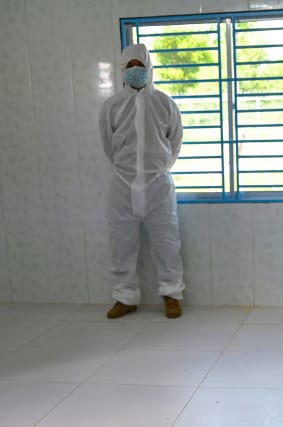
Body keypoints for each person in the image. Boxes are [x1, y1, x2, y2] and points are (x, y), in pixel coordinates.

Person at [99, 43, 185, 319]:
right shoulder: (111, 106)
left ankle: (172, 295)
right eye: (130, 66)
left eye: (140, 66)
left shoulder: (164, 103)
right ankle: (125, 297)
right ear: (122, 70)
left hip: (158, 184)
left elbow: (175, 141)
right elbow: (108, 145)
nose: (135, 71)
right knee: (120, 243)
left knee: (167, 241)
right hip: (122, 184)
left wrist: (157, 168)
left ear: (149, 68)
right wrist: (128, 170)